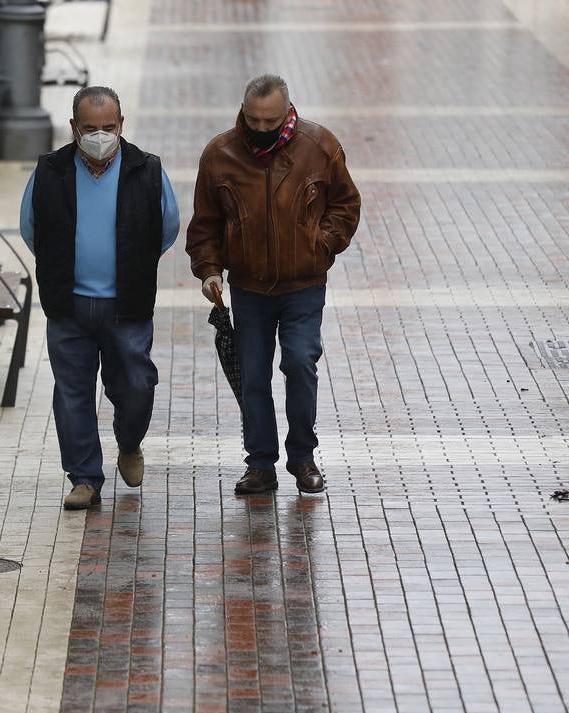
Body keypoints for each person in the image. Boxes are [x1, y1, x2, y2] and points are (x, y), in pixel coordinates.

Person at [186, 74, 361, 495]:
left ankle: (302, 457)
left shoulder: (320, 146)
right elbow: (205, 223)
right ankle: (260, 464)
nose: (261, 129)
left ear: (288, 111)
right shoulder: (220, 153)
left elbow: (346, 204)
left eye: (271, 121)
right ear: (243, 112)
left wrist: (320, 245)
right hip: (248, 288)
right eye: (254, 120)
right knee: (253, 375)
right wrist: (209, 270)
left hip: (303, 284)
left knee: (300, 363)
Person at [20, 86, 180, 510]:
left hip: (126, 305)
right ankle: (84, 478)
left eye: (108, 127)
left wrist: (131, 263)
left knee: (136, 385)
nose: (99, 135)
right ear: (74, 128)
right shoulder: (51, 171)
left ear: (121, 125)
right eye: (89, 128)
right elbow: (30, 228)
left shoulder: (146, 170)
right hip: (68, 305)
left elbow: (167, 229)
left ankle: (129, 442)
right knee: (72, 392)